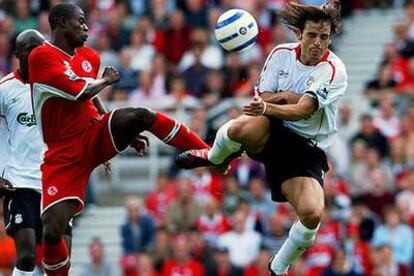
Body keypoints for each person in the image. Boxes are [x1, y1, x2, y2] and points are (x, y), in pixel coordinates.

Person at [28, 3, 209, 275]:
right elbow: (80, 91)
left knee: (140, 115)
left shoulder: (89, 55)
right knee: (52, 229)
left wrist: (124, 131)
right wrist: (106, 81)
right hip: (62, 151)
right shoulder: (42, 56)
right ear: (61, 22)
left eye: (86, 21)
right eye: (80, 21)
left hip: (92, 132)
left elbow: (91, 99)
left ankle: (207, 152)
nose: (86, 27)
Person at [176, 2, 346, 275]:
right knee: (239, 128)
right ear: (298, 34)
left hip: (306, 148)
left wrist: (272, 105)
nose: (318, 43)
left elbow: (303, 108)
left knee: (313, 214)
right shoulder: (280, 54)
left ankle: (278, 267)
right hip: (272, 128)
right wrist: (281, 101)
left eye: (324, 37)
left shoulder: (333, 70)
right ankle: (214, 157)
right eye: (312, 35)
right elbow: (264, 98)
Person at [0, 30, 70, 276]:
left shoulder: (57, 84)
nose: (36, 53)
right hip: (19, 183)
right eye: (30, 49)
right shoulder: (5, 89)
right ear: (18, 55)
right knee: (27, 256)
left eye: (40, 47)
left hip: (56, 181)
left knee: (60, 263)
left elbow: (87, 107)